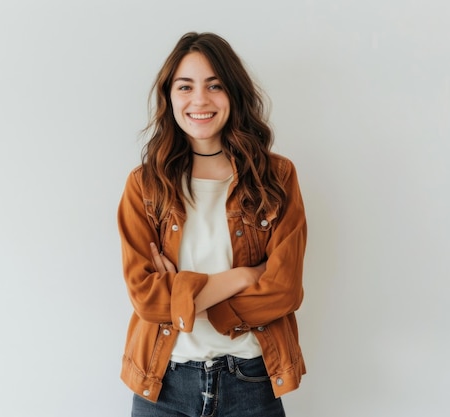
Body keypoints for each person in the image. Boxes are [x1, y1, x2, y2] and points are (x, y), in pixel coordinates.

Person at [117, 31, 307, 417]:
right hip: (163, 385)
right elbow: (145, 297)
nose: (199, 100)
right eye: (185, 86)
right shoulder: (145, 185)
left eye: (214, 85)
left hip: (251, 383)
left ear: (233, 94)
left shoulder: (277, 176)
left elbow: (284, 290)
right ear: (169, 97)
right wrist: (240, 277)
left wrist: (182, 296)